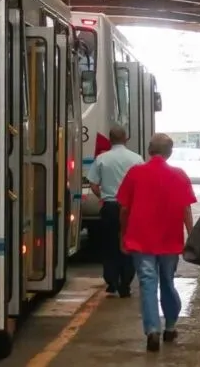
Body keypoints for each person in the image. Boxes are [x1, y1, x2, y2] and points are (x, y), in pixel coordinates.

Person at [116, 133, 196, 352]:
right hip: (170, 239)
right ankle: (170, 326)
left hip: (141, 238)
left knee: (148, 283)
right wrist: (191, 235)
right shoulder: (179, 175)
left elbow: (124, 208)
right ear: (169, 152)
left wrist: (123, 234)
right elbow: (186, 209)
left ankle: (152, 330)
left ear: (149, 150)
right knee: (168, 281)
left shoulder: (135, 173)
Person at [87, 125, 143, 297]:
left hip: (110, 206)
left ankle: (111, 282)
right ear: (125, 138)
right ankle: (125, 283)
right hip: (130, 207)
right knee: (128, 244)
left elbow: (93, 184)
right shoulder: (137, 159)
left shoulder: (102, 158)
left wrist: (103, 196)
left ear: (110, 139)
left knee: (109, 244)